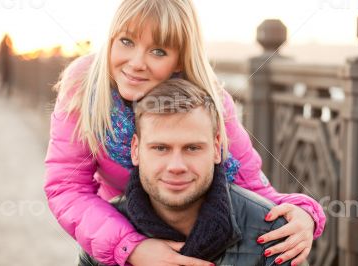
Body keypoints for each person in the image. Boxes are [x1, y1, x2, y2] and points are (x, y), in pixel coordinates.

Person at [44, 0, 325, 265]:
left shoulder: (207, 100)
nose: (137, 62)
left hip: (199, 231)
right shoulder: (83, 88)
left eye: (158, 51)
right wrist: (130, 247)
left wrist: (303, 213)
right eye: (126, 42)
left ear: (179, 60)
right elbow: (66, 186)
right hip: (121, 226)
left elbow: (251, 184)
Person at [78, 79, 296, 266]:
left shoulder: (273, 234)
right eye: (160, 148)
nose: (176, 166)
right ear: (136, 150)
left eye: (192, 148)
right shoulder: (105, 236)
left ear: (216, 148)